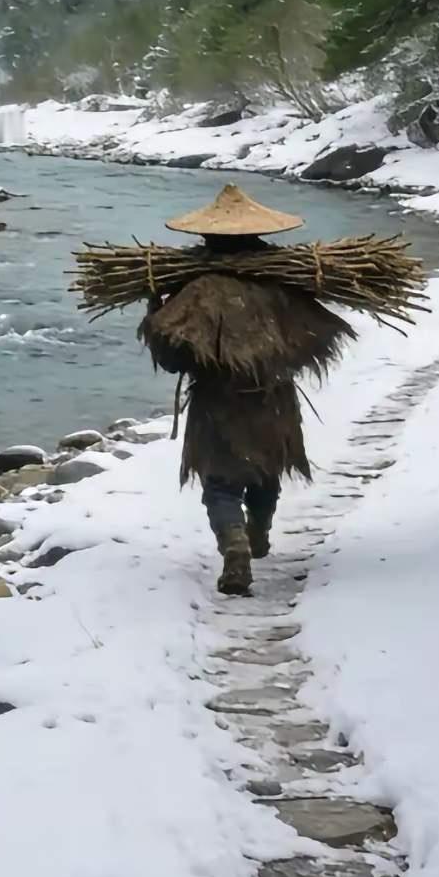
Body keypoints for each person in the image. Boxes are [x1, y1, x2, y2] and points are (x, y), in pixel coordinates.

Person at [139, 186, 354, 596]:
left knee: (220, 483)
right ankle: (258, 531)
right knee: (265, 472)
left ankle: (234, 544)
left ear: (206, 237)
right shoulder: (282, 285)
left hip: (217, 404)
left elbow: (172, 358)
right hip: (273, 400)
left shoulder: (194, 290)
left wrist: (154, 313)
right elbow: (312, 338)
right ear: (259, 235)